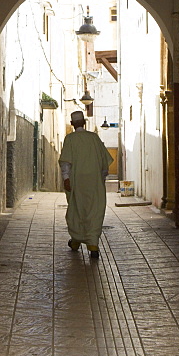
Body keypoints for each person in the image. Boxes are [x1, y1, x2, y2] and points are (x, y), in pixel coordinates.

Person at [59, 110, 113, 259]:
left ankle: (76, 239)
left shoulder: (70, 139)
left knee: (76, 209)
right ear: (84, 123)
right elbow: (104, 164)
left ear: (72, 124)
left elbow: (66, 163)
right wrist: (100, 179)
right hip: (94, 182)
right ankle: (93, 243)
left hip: (77, 181)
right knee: (94, 210)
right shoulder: (94, 138)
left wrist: (66, 179)